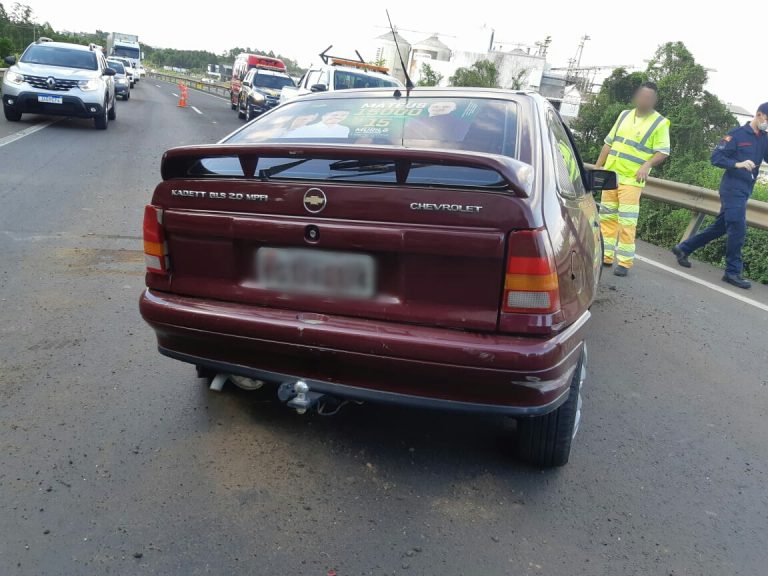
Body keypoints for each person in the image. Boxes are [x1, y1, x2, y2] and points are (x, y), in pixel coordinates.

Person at [671, 103, 768, 289]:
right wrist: (738, 164)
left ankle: (683, 248)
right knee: (738, 228)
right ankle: (732, 272)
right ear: (759, 115)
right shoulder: (737, 134)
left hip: (746, 189)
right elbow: (716, 158)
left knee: (721, 227)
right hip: (732, 189)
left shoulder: (764, 138)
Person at [595, 82, 671, 277]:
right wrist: (597, 167)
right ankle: (606, 255)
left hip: (631, 179)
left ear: (654, 100)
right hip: (611, 175)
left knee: (627, 223)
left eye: (648, 98)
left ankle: (624, 262)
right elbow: (608, 143)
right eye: (642, 96)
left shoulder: (659, 122)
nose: (644, 100)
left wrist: (647, 165)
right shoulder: (624, 115)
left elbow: (663, 151)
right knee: (606, 218)